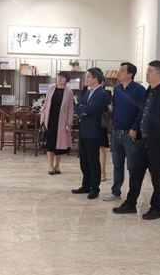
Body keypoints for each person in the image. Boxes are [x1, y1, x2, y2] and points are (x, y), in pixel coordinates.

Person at [113, 60, 160, 220]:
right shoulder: (148, 91)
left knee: (156, 176)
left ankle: (157, 208)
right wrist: (135, 127)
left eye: (150, 71)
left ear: (159, 74)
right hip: (143, 140)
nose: (147, 73)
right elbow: (142, 113)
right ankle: (130, 203)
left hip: (157, 143)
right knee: (136, 173)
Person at [103, 62, 145, 202]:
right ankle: (116, 192)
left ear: (130, 75)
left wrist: (135, 128)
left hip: (130, 134)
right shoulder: (117, 89)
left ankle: (133, 195)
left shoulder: (139, 90)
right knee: (117, 165)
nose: (118, 73)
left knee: (132, 166)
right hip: (116, 133)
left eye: (122, 70)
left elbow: (142, 111)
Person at [73, 68, 110, 199]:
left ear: (95, 79)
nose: (86, 79)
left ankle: (95, 188)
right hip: (83, 130)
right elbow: (77, 107)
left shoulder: (102, 94)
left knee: (93, 161)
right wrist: (83, 110)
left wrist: (83, 109)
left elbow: (91, 109)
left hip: (93, 131)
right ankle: (86, 185)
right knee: (84, 160)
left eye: (88, 77)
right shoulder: (88, 92)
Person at [40, 71, 74, 175]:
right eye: (59, 77)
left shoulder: (69, 92)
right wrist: (42, 118)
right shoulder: (51, 89)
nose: (59, 79)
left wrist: (69, 122)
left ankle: (57, 166)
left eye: (62, 78)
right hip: (50, 119)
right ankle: (50, 166)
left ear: (66, 80)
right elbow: (45, 104)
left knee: (59, 145)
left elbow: (70, 108)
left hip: (62, 121)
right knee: (50, 143)